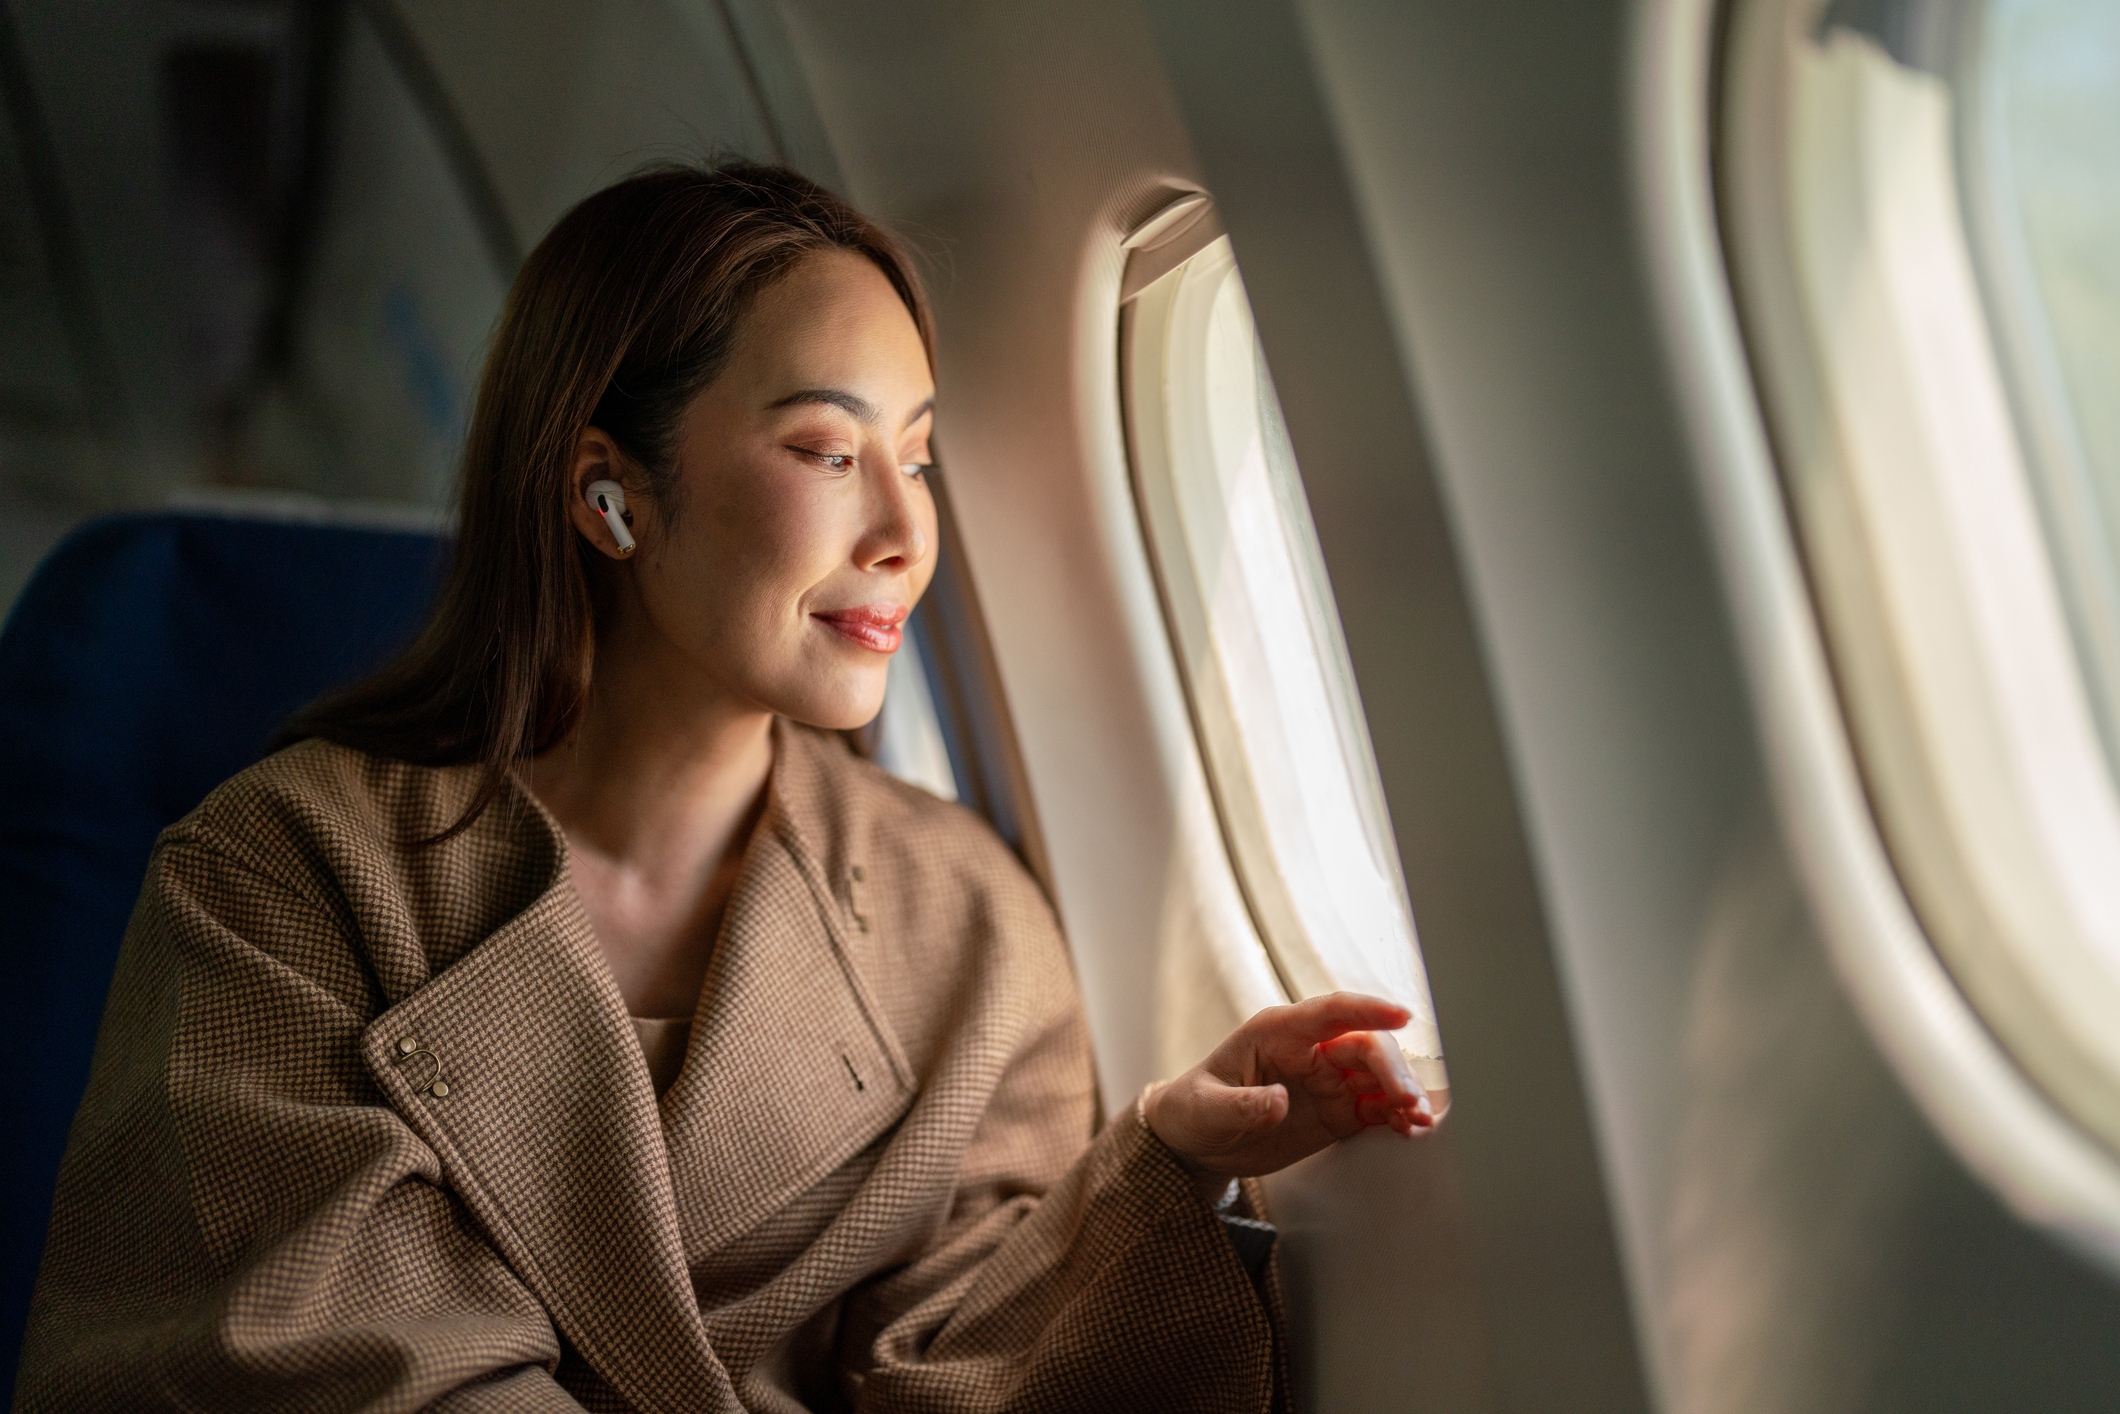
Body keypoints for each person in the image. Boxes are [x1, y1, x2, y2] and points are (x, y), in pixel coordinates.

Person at [17, 162, 1432, 1413]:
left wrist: (1163, 1164)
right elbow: (325, 1367)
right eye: (827, 451)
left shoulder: (969, 923)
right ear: (610, 493)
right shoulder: (284, 875)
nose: (904, 530)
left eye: (919, 457)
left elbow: (951, 1371)